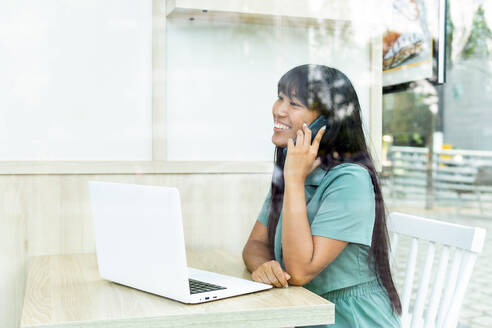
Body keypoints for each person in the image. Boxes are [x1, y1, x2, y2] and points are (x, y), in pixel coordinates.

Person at [242, 64, 401, 327]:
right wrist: (264, 267)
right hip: (305, 311)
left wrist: (294, 179)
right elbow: (254, 245)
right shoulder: (292, 168)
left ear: (325, 122)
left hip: (348, 318)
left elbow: (300, 271)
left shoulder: (350, 181)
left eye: (294, 103)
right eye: (280, 97)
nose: (279, 110)